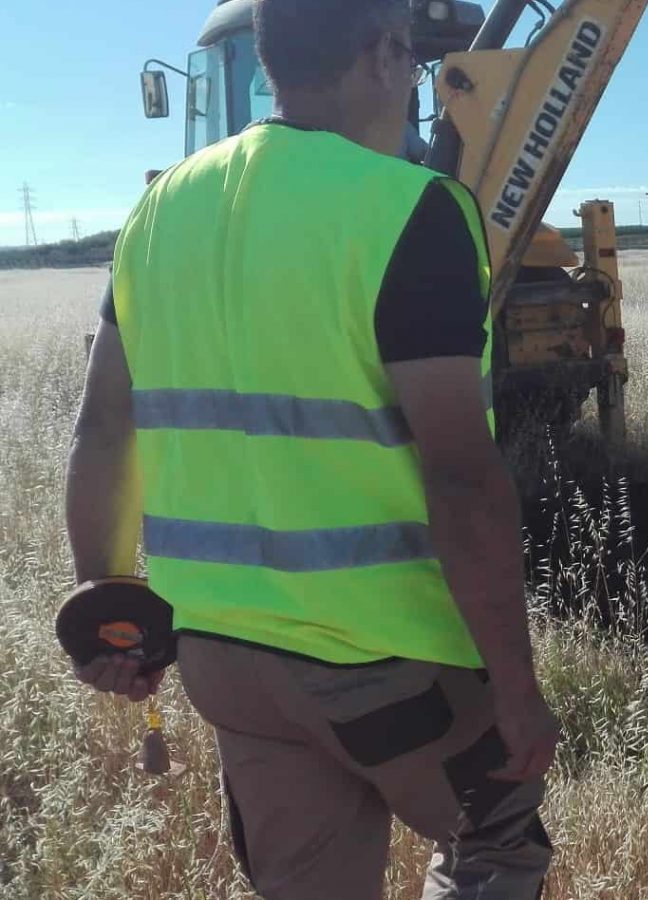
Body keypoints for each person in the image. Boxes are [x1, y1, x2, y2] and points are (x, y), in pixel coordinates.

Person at [65, 0, 560, 897]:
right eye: (408, 60)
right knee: (496, 848)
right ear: (381, 56)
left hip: (222, 655)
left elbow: (103, 426)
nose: (411, 79)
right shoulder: (410, 208)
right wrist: (517, 686)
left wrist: (105, 606)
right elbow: (461, 476)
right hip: (380, 666)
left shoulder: (157, 210)